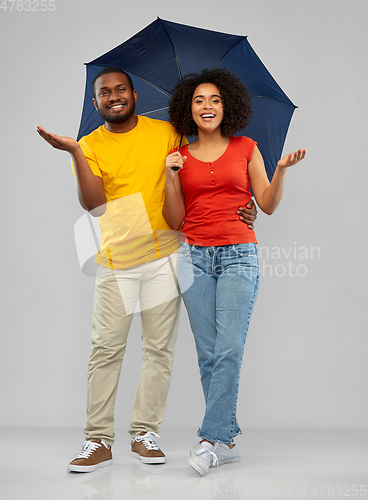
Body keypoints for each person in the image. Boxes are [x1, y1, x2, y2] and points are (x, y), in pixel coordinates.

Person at [37, 66, 258, 473]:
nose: (114, 96)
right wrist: (73, 152)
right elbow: (93, 204)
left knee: (159, 351)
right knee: (106, 350)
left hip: (167, 258)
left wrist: (246, 206)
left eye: (121, 89)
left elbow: (202, 172)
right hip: (117, 262)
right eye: (105, 92)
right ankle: (97, 440)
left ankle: (145, 433)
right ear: (96, 102)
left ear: (135, 95)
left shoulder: (166, 133)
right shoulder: (88, 145)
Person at [163, 68, 306, 476]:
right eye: (199, 101)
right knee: (208, 353)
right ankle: (225, 441)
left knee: (229, 349)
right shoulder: (179, 157)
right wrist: (171, 177)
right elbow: (175, 221)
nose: (207, 106)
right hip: (193, 257)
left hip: (238, 254)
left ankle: (209, 440)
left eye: (215, 100)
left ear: (228, 106)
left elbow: (267, 203)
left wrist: (280, 171)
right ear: (188, 109)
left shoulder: (246, 147)